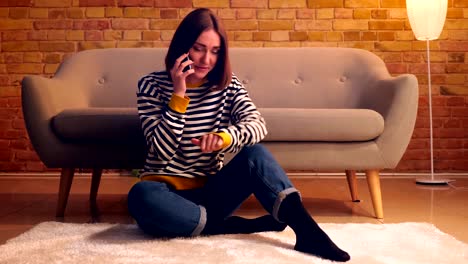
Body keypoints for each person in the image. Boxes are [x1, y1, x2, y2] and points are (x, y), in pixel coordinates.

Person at [127, 8, 350, 262]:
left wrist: (225, 138)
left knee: (256, 153)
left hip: (212, 194)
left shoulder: (227, 85)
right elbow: (161, 150)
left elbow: (257, 125)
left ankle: (308, 232)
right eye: (199, 48)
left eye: (215, 51)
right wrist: (179, 95)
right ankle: (233, 226)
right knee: (140, 196)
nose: (206, 60)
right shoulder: (151, 85)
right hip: (166, 195)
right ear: (182, 46)